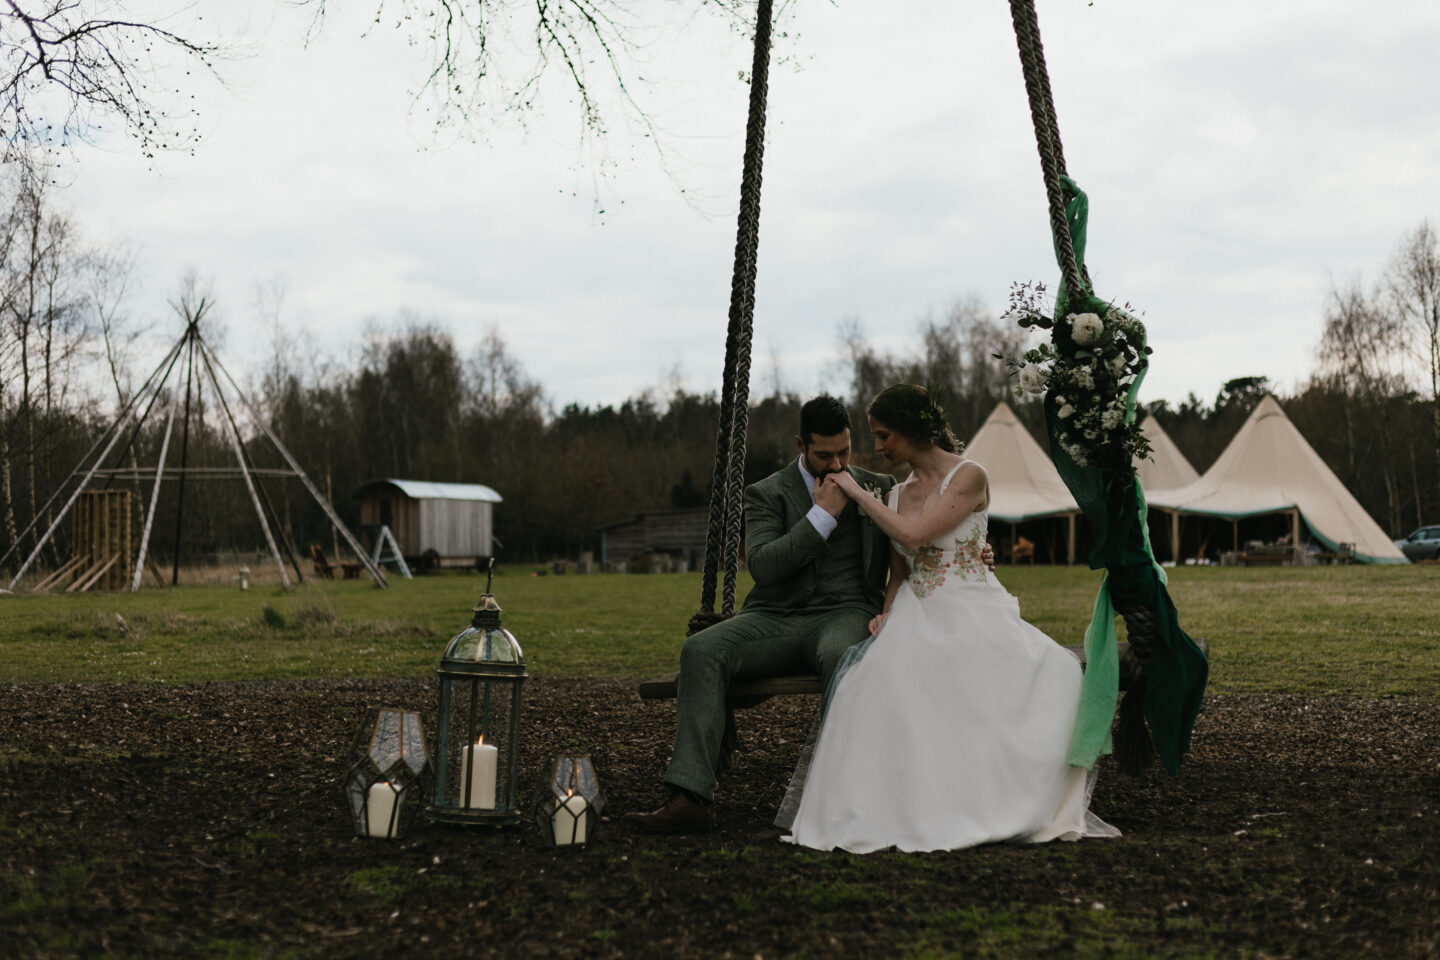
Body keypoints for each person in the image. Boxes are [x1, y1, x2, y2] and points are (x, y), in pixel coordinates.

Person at [626, 395, 993, 834]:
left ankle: (848, 797)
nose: (836, 464)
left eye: (845, 451)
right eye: (824, 455)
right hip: (775, 618)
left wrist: (975, 552)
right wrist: (820, 516)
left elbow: (922, 538)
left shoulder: (877, 486)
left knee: (844, 655)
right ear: (801, 444)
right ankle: (690, 795)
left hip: (846, 611)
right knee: (702, 650)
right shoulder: (767, 493)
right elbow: (762, 565)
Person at [781, 384, 1118, 852]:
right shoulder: (896, 493)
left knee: (1049, 674)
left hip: (972, 604)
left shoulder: (968, 475)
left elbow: (916, 537)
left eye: (884, 436)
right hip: (916, 611)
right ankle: (904, 805)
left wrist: (857, 493)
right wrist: (884, 614)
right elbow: (900, 569)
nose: (877, 447)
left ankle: (1001, 800)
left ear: (912, 432)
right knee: (874, 682)